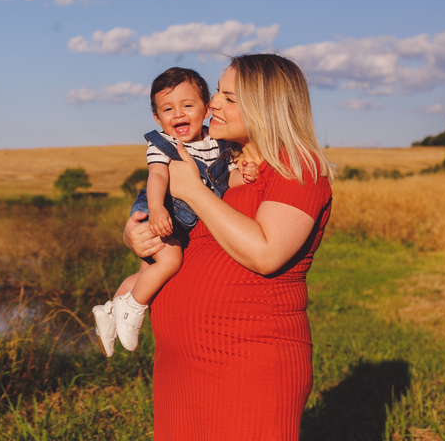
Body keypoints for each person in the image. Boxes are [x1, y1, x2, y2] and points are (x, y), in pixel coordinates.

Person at [123, 53, 334, 441]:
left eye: (230, 97)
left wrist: (191, 190)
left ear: (266, 106)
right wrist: (136, 235)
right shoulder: (224, 170)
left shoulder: (297, 168)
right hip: (181, 364)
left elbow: (266, 253)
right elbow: (197, 246)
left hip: (247, 361)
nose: (214, 102)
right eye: (218, 91)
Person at [91, 67, 257, 356]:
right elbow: (156, 177)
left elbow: (223, 180)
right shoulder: (163, 144)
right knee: (171, 259)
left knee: (149, 271)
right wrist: (156, 210)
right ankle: (133, 309)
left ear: (206, 109)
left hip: (184, 217)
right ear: (157, 118)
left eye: (187, 105)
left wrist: (244, 175)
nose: (178, 114)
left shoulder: (218, 144)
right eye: (167, 109)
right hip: (163, 208)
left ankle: (109, 311)